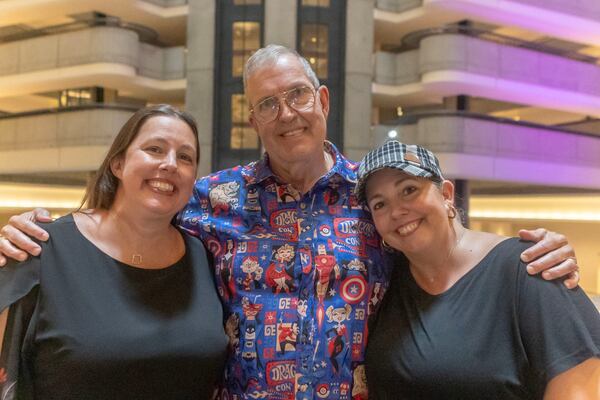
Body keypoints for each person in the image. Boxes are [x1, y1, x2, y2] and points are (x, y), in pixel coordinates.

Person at [0, 45, 580, 399]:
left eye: (297, 95)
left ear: (323, 100)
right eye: (267, 104)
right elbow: (135, 209)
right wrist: (39, 230)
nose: (287, 114)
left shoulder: (374, 196)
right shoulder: (210, 199)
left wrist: (534, 255)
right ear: (252, 117)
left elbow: (445, 247)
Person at [0, 105, 228, 399]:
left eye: (185, 157)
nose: (170, 164)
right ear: (117, 164)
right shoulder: (39, 248)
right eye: (155, 149)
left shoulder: (203, 256)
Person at [355, 140, 600, 399]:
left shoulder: (528, 265)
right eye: (380, 204)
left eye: (409, 190)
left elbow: (583, 382)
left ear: (446, 195)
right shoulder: (383, 277)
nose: (397, 211)